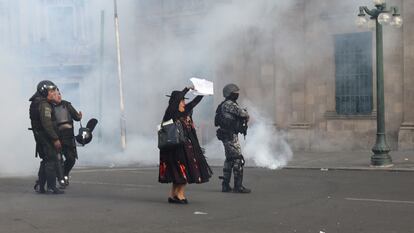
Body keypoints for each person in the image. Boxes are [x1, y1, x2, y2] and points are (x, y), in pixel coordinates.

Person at [158, 85, 212, 204]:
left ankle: (173, 195)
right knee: (184, 172)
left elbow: (194, 102)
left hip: (185, 147)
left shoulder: (185, 111)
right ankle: (179, 195)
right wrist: (186, 89)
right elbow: (176, 101)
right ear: (176, 102)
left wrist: (203, 93)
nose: (183, 103)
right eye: (182, 101)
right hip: (176, 149)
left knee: (179, 173)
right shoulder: (171, 113)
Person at [215, 83, 251, 193]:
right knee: (238, 159)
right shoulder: (229, 104)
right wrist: (246, 113)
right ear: (230, 94)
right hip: (230, 135)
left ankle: (225, 185)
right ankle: (237, 186)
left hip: (226, 134)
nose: (237, 95)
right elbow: (242, 113)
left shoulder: (224, 104)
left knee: (230, 159)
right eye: (235, 93)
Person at [30, 80, 64, 194]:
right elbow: (47, 124)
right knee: (51, 161)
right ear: (44, 92)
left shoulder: (38, 102)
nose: (54, 93)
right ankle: (51, 186)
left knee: (46, 160)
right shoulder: (44, 105)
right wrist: (55, 138)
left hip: (41, 136)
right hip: (46, 137)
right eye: (51, 91)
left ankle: (40, 185)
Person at [53, 89, 82, 186]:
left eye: (59, 94)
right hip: (56, 137)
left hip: (68, 137)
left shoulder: (67, 105)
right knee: (57, 160)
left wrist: (79, 116)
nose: (59, 96)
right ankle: (60, 178)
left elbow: (76, 117)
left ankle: (65, 174)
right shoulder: (49, 107)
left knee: (71, 159)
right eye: (56, 95)